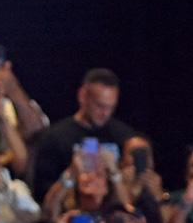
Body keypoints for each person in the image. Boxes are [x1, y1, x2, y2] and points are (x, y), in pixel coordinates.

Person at [32, 68, 135, 198]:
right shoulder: (56, 137)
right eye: (100, 106)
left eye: (111, 107)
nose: (105, 113)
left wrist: (115, 171)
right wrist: (72, 173)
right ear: (82, 96)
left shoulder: (123, 135)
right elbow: (42, 191)